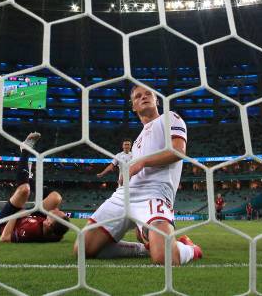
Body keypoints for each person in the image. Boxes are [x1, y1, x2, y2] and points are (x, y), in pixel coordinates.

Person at [76, 85, 202, 265]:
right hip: (123, 196)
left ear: (157, 100)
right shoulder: (137, 141)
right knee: (82, 248)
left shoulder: (170, 118)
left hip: (155, 194)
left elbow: (178, 151)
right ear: (133, 106)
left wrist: (142, 162)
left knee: (164, 258)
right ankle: (142, 249)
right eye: (138, 96)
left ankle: (190, 248)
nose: (144, 97)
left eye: (148, 94)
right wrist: (138, 221)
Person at [0, 132, 70, 243]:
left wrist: (16, 215)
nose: (56, 209)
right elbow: (59, 235)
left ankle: (25, 149)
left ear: (49, 223)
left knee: (24, 190)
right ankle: (29, 178)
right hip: (32, 217)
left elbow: (4, 238)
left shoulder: (31, 231)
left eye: (55, 213)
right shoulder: (54, 231)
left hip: (6, 221)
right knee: (56, 198)